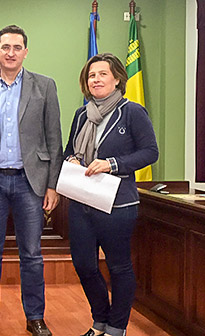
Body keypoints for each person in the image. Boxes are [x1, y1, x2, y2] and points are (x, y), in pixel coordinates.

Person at [0, 25, 64, 336]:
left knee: (31, 253)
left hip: (30, 183)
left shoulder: (45, 87)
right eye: (5, 46)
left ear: (25, 52)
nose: (11, 52)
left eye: (17, 47)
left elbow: (54, 139)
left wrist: (52, 185)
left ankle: (35, 318)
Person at [64, 53, 158, 336]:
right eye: (92, 75)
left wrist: (112, 164)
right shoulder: (81, 115)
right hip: (81, 201)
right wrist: (70, 159)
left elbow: (150, 152)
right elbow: (69, 149)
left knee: (119, 266)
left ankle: (117, 328)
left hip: (118, 203)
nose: (96, 80)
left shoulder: (132, 112)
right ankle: (100, 321)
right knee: (83, 264)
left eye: (103, 74)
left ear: (117, 78)